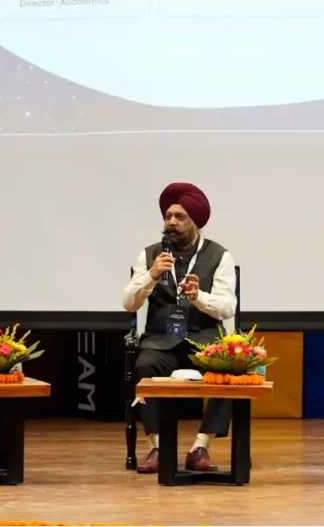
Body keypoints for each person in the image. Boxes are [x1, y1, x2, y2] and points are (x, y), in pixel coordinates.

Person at [122, 182, 238, 474]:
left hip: (204, 341)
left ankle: (200, 447)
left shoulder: (219, 255)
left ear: (195, 221)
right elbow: (129, 303)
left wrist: (199, 298)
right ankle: (158, 446)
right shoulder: (149, 255)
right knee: (144, 366)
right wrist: (150, 275)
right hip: (160, 341)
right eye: (168, 216)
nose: (171, 222)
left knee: (231, 371)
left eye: (180, 217)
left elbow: (227, 307)